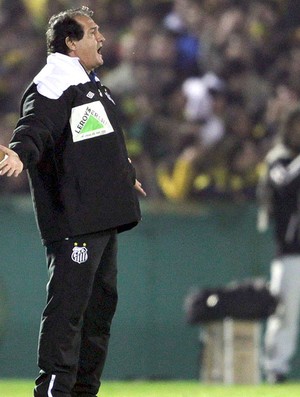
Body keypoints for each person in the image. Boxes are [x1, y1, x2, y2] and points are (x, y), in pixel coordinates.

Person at [0, 6, 146, 397]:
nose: (101, 38)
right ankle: (52, 392)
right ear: (70, 42)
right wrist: (19, 152)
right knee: (69, 314)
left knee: (97, 316)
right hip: (75, 222)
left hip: (99, 218)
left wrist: (124, 176)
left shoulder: (89, 84)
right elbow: (36, 125)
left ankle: (82, 393)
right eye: (92, 31)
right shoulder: (55, 79)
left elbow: (93, 142)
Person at [257, 105, 300, 383]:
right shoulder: (279, 160)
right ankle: (276, 368)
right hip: (291, 251)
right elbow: (282, 184)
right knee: (285, 312)